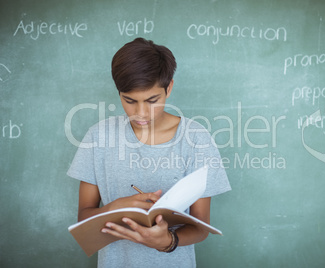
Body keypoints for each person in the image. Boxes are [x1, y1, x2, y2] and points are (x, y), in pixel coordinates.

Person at [67, 38, 231, 267]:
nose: (141, 113)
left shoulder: (196, 138)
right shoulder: (98, 136)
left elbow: (201, 227)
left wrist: (167, 241)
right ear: (119, 92)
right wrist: (114, 208)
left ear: (169, 88)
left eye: (152, 100)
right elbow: (83, 219)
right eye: (129, 100)